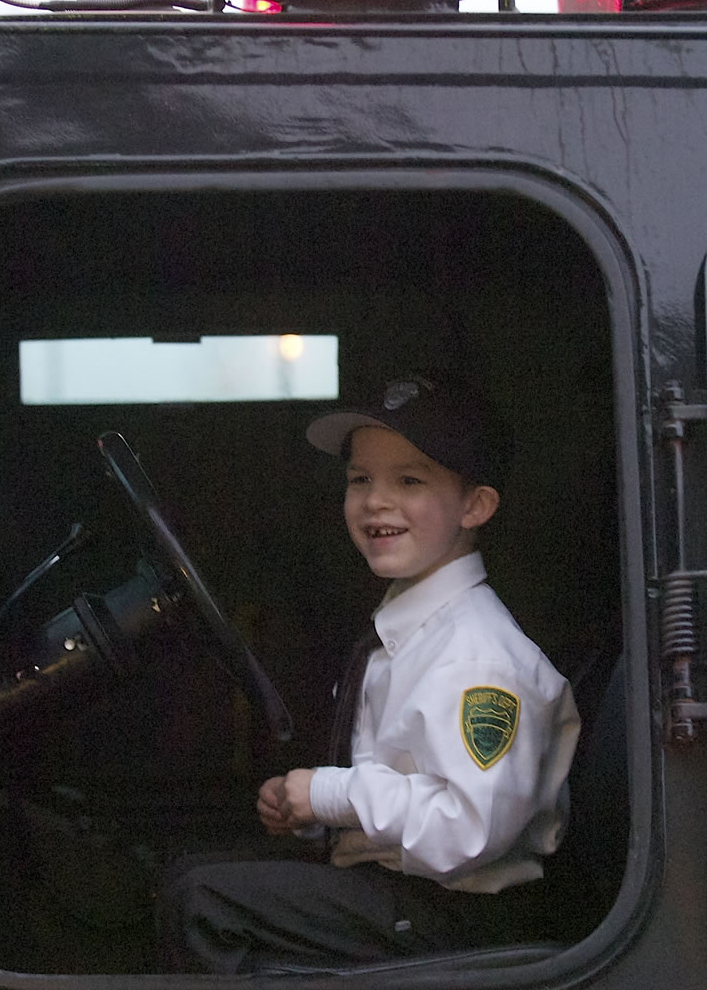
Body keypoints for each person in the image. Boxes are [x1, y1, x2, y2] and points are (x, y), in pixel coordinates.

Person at [156, 373, 581, 974]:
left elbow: (466, 830)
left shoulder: (477, 660)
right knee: (191, 870)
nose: (375, 500)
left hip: (456, 912)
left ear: (475, 505)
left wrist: (330, 793)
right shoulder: (407, 629)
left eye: (409, 480)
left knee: (202, 903)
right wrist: (312, 813)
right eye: (361, 480)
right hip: (404, 887)